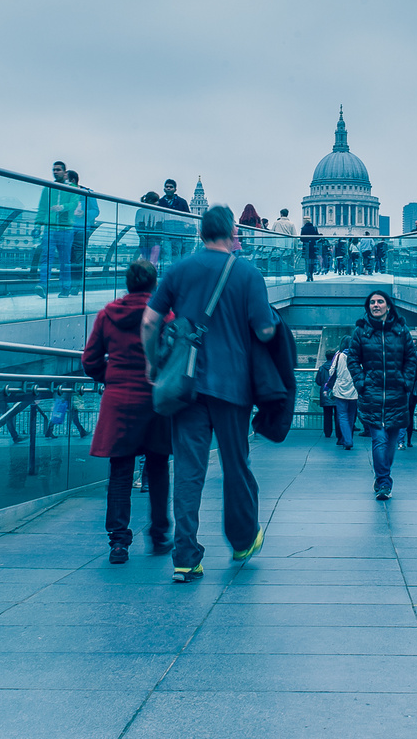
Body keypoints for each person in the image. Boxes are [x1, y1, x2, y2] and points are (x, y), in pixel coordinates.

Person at [142, 205, 279, 583]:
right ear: (232, 233)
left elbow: (150, 320)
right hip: (233, 387)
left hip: (186, 385)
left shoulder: (178, 269)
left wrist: (153, 365)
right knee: (236, 467)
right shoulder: (248, 273)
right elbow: (266, 332)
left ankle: (185, 557)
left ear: (201, 232)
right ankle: (242, 540)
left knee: (188, 471)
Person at [84, 259, 172, 564]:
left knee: (120, 472)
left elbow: (90, 360)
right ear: (153, 284)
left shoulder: (107, 315)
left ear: (128, 283)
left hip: (119, 400)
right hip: (154, 399)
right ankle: (160, 534)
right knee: (158, 467)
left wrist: (111, 377)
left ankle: (119, 543)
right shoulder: (164, 315)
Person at [342, 290, 417, 500]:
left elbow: (411, 359)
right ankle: (384, 482)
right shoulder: (361, 332)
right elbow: (353, 359)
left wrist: (406, 381)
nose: (375, 305)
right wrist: (361, 382)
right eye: (372, 302)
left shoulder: (401, 331)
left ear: (388, 306)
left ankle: (383, 475)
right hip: (372, 394)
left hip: (397, 394)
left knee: (391, 443)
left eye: (380, 302)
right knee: (378, 440)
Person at [36, 162, 78, 297]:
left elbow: (73, 204)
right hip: (50, 228)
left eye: (58, 170)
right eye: (53, 170)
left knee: (65, 260)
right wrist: (38, 224)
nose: (55, 172)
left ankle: (65, 288)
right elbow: (42, 208)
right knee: (46, 257)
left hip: (66, 229)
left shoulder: (73, 188)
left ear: (65, 172)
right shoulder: (48, 188)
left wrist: (61, 207)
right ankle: (43, 285)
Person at [67, 171, 100, 290]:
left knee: (78, 257)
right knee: (67, 257)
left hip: (81, 230)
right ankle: (68, 285)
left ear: (73, 181)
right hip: (67, 229)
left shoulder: (87, 193)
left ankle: (75, 285)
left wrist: (84, 213)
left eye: (66, 181)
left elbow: (96, 211)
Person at [329, 345, 359, 449]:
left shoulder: (338, 356)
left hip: (340, 389)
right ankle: (348, 438)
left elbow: (331, 371)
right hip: (354, 389)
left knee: (342, 415)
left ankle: (347, 440)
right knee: (351, 415)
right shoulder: (357, 355)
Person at [315, 349, 339, 439]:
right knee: (338, 415)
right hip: (336, 393)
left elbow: (318, 381)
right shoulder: (337, 367)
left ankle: (327, 433)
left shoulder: (321, 368)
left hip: (325, 394)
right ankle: (338, 433)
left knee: (327, 415)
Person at [135, 192, 164, 265]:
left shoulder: (140, 211)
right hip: (152, 242)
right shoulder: (159, 212)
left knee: (147, 262)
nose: (157, 203)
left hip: (146, 241)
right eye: (155, 201)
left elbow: (138, 226)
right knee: (152, 262)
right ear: (150, 201)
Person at [301, 217, 320, 281]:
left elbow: (301, 239)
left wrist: (306, 240)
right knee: (312, 261)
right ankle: (311, 274)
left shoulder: (303, 228)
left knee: (307, 261)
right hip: (313, 246)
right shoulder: (314, 228)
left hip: (306, 247)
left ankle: (308, 275)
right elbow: (317, 238)